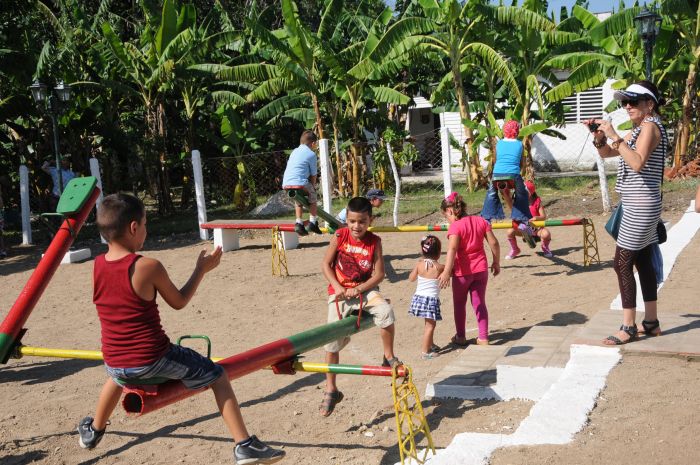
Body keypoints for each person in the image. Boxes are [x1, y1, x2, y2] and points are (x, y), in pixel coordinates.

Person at [78, 193, 285, 465]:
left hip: (115, 362)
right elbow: (179, 302)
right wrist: (201, 269)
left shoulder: (97, 265)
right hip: (152, 358)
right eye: (145, 224)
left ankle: (93, 431)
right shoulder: (147, 266)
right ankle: (244, 445)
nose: (146, 231)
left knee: (118, 378)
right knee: (218, 376)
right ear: (133, 228)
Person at [586, 81, 668, 345]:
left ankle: (629, 326)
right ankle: (651, 322)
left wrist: (614, 135)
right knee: (642, 260)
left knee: (621, 262)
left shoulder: (650, 127)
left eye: (634, 101)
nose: (628, 106)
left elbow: (637, 162)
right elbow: (612, 153)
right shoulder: (640, 128)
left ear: (650, 104)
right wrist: (599, 138)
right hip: (637, 202)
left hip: (641, 204)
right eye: (625, 102)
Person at [320, 197, 401, 416]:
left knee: (385, 311)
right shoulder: (340, 236)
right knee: (331, 342)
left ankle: (388, 356)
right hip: (339, 294)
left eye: (362, 221)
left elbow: (380, 274)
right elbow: (326, 265)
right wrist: (337, 287)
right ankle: (331, 389)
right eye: (352, 221)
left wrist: (361, 288)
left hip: (365, 291)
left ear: (370, 220)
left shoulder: (374, 241)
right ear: (347, 219)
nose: (357, 226)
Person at [439, 192, 500, 347]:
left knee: (459, 304)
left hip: (462, 273)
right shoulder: (481, 221)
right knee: (479, 303)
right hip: (481, 270)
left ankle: (460, 336)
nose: (448, 219)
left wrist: (446, 271)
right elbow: (494, 243)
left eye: (446, 216)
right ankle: (484, 338)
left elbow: (452, 249)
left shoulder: (455, 227)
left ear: (451, 211)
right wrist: (496, 262)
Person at [481, 120, 536, 248]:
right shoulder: (519, 144)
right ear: (517, 131)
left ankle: (486, 218)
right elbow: (522, 162)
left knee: (491, 193)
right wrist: (519, 173)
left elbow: (495, 160)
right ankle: (521, 219)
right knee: (521, 194)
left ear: (505, 131)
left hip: (497, 174)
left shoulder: (499, 143)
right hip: (513, 174)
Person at [408, 235, 444, 359]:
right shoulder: (440, 267)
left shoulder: (419, 264)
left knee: (428, 324)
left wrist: (418, 269)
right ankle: (425, 352)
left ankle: (431, 344)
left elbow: (411, 279)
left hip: (419, 298)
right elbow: (450, 271)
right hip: (430, 300)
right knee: (430, 326)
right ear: (439, 253)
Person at [282, 130, 322, 236]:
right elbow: (313, 174)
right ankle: (313, 222)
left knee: (298, 200)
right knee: (313, 197)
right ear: (313, 143)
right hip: (299, 182)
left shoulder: (294, 151)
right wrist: (312, 187)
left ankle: (299, 222)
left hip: (286, 183)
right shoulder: (311, 154)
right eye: (315, 144)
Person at [505, 180, 553, 259]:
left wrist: (536, 218)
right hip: (523, 229)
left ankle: (545, 247)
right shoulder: (518, 202)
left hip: (536, 229)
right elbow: (510, 204)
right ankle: (515, 249)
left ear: (530, 193)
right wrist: (506, 193)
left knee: (546, 234)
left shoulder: (537, 202)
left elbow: (543, 216)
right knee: (509, 232)